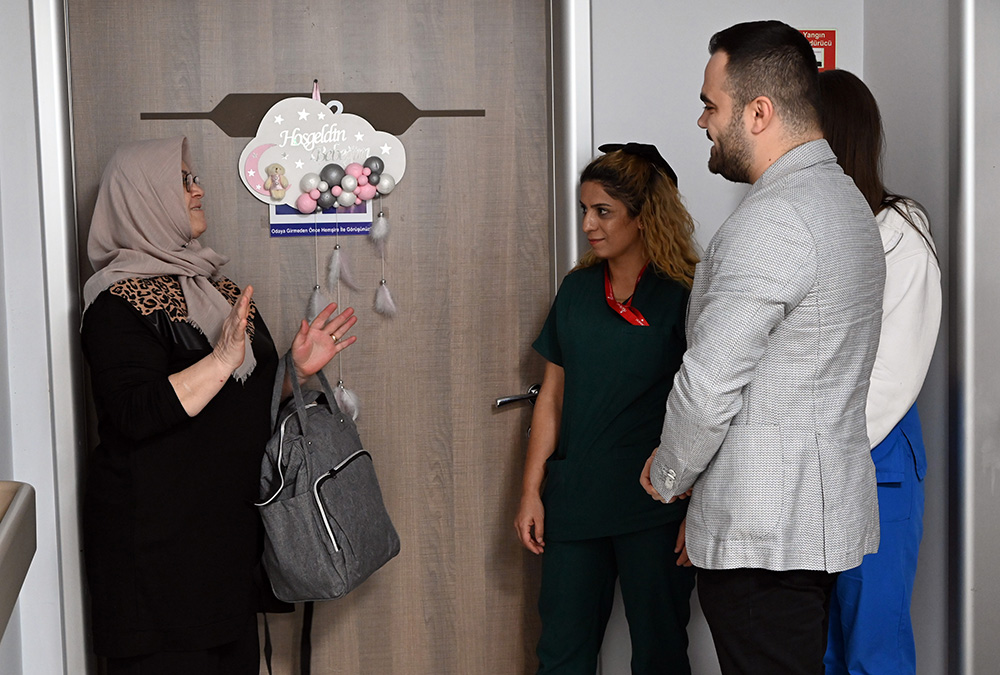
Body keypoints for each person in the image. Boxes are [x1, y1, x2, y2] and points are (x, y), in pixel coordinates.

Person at [639, 21, 885, 674]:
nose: (702, 121)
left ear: (758, 112)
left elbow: (709, 383)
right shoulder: (845, 202)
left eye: (711, 105)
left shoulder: (776, 218)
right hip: (807, 526)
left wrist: (670, 474)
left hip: (765, 534)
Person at [80, 137, 357, 674]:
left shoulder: (218, 289)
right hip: (155, 557)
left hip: (225, 547)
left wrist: (293, 373)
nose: (198, 190)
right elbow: (134, 413)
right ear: (143, 198)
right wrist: (223, 359)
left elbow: (245, 403)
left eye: (194, 178)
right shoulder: (115, 302)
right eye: (183, 181)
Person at [515, 143, 701, 674]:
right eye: (584, 210)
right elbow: (552, 397)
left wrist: (702, 509)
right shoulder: (576, 290)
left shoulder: (686, 294)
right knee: (561, 656)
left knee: (660, 655)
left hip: (656, 505)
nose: (587, 225)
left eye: (603, 211)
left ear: (643, 217)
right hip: (575, 502)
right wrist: (530, 491)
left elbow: (710, 405)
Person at [818, 69, 941, 675]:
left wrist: (810, 453)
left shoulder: (900, 234)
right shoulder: (810, 229)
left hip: (875, 461)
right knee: (821, 651)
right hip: (816, 466)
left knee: (873, 650)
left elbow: (891, 380)